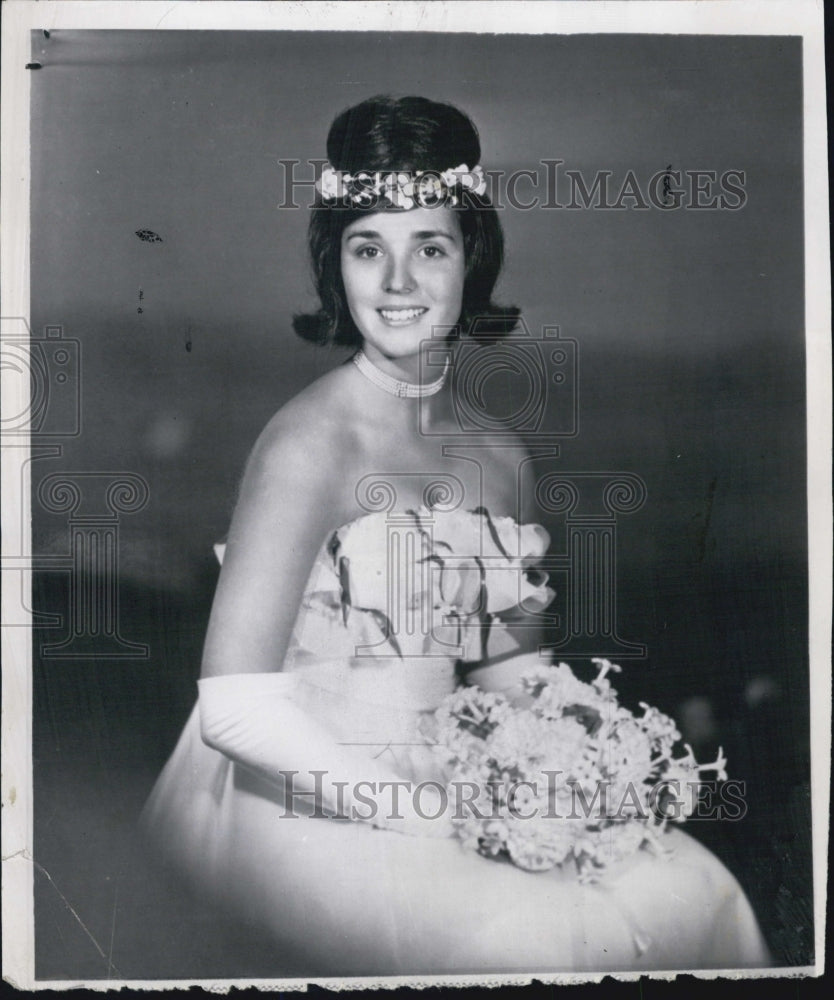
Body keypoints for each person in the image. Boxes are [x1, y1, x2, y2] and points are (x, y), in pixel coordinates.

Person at [140, 95, 770, 975]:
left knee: (694, 889)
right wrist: (426, 812)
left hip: (452, 776)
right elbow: (236, 710)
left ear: (472, 257)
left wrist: (585, 761)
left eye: (429, 248)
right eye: (368, 249)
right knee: (536, 939)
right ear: (335, 264)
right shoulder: (307, 444)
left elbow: (509, 671)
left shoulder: (500, 458)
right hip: (299, 794)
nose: (397, 283)